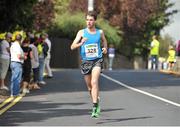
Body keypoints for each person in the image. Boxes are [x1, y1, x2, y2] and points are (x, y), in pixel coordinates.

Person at [70, 11, 108, 118]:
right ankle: (96, 100)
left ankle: (95, 107)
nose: (89, 22)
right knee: (90, 87)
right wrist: (81, 43)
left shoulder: (100, 32)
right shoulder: (81, 33)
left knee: (94, 81)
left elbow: (104, 41)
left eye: (91, 20)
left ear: (95, 20)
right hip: (86, 61)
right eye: (87, 20)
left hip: (97, 60)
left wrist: (105, 48)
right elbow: (72, 46)